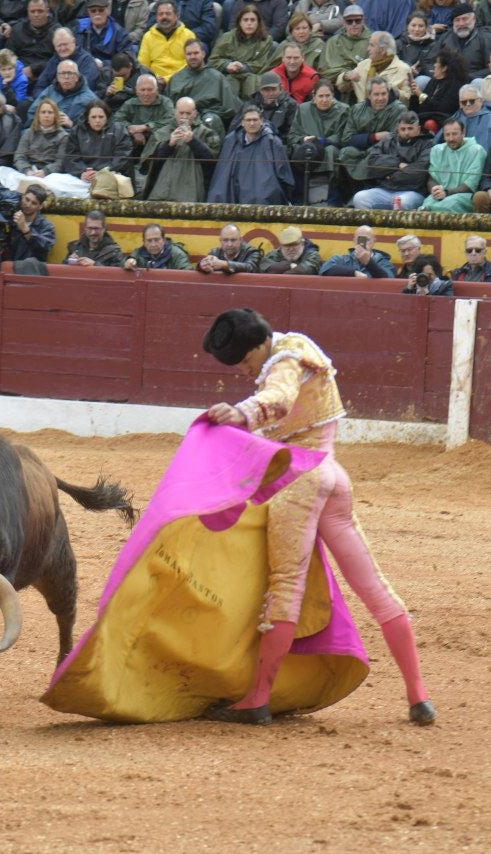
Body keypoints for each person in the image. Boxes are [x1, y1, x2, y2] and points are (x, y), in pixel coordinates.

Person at [198, 308, 435, 727]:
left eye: (247, 362)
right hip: (333, 475)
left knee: (285, 585)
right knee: (374, 587)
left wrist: (241, 414)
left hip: (300, 482)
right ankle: (419, 696)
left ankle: (258, 698)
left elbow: (278, 398)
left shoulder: (283, 362)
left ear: (258, 346)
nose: (248, 371)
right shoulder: (300, 347)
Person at [208, 99, 291, 202]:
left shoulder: (273, 142)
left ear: (262, 121)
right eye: (248, 120)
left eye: (255, 120)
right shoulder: (231, 141)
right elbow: (221, 175)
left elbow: (284, 176)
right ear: (242, 123)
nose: (252, 123)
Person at [320, 223, 396, 277]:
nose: (363, 243)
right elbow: (325, 269)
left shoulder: (384, 262)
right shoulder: (342, 259)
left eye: (367, 240)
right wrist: (353, 273)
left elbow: (388, 277)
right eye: (360, 239)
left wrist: (369, 262)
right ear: (354, 241)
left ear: (374, 242)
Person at [5, 184, 56, 264]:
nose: (28, 205)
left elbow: (44, 249)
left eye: (34, 203)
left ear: (40, 206)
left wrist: (25, 229)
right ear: (22, 197)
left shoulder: (47, 226)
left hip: (31, 272)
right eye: (27, 199)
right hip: (9, 269)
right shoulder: (11, 218)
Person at [123, 221, 193, 269]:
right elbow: (122, 264)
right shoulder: (139, 253)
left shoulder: (177, 254)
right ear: (144, 242)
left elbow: (187, 274)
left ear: (164, 240)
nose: (153, 244)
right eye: (149, 241)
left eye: (157, 240)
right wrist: (127, 263)